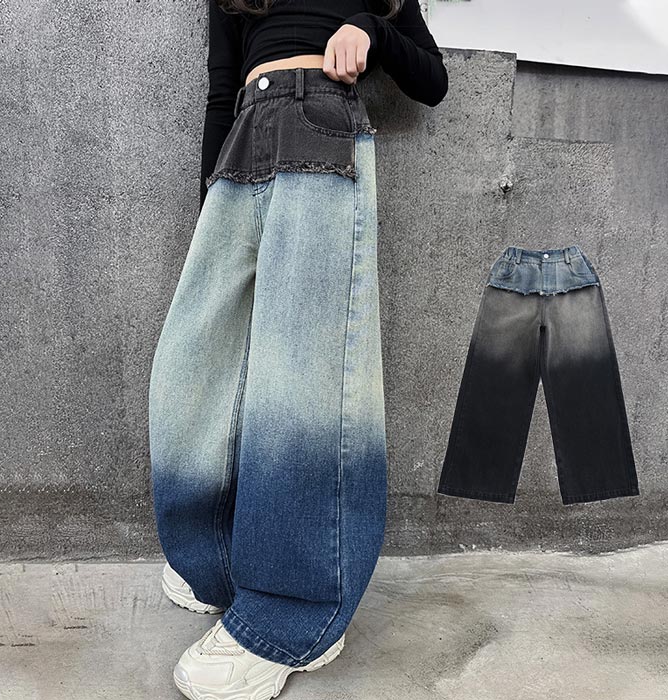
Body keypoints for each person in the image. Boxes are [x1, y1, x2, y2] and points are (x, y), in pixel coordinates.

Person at [148, 1, 448, 698]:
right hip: (244, 137)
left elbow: (431, 81)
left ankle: (292, 617)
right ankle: (215, 561)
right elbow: (220, 91)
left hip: (325, 125)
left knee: (303, 383)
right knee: (193, 366)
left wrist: (370, 30)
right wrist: (209, 203)